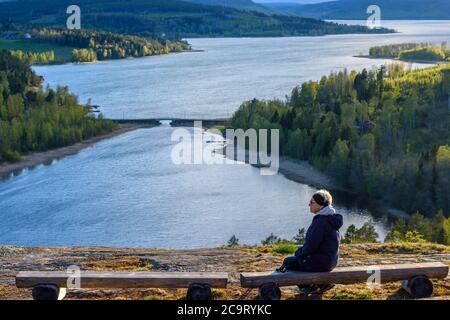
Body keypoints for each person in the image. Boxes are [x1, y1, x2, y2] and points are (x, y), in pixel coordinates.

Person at [276, 189, 343, 294]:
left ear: (321, 206)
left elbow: (310, 247)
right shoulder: (331, 219)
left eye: (312, 202)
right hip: (331, 262)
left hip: (320, 263)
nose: (309, 204)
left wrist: (298, 253)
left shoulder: (320, 222)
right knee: (297, 259)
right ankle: (322, 284)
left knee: (289, 261)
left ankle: (308, 287)